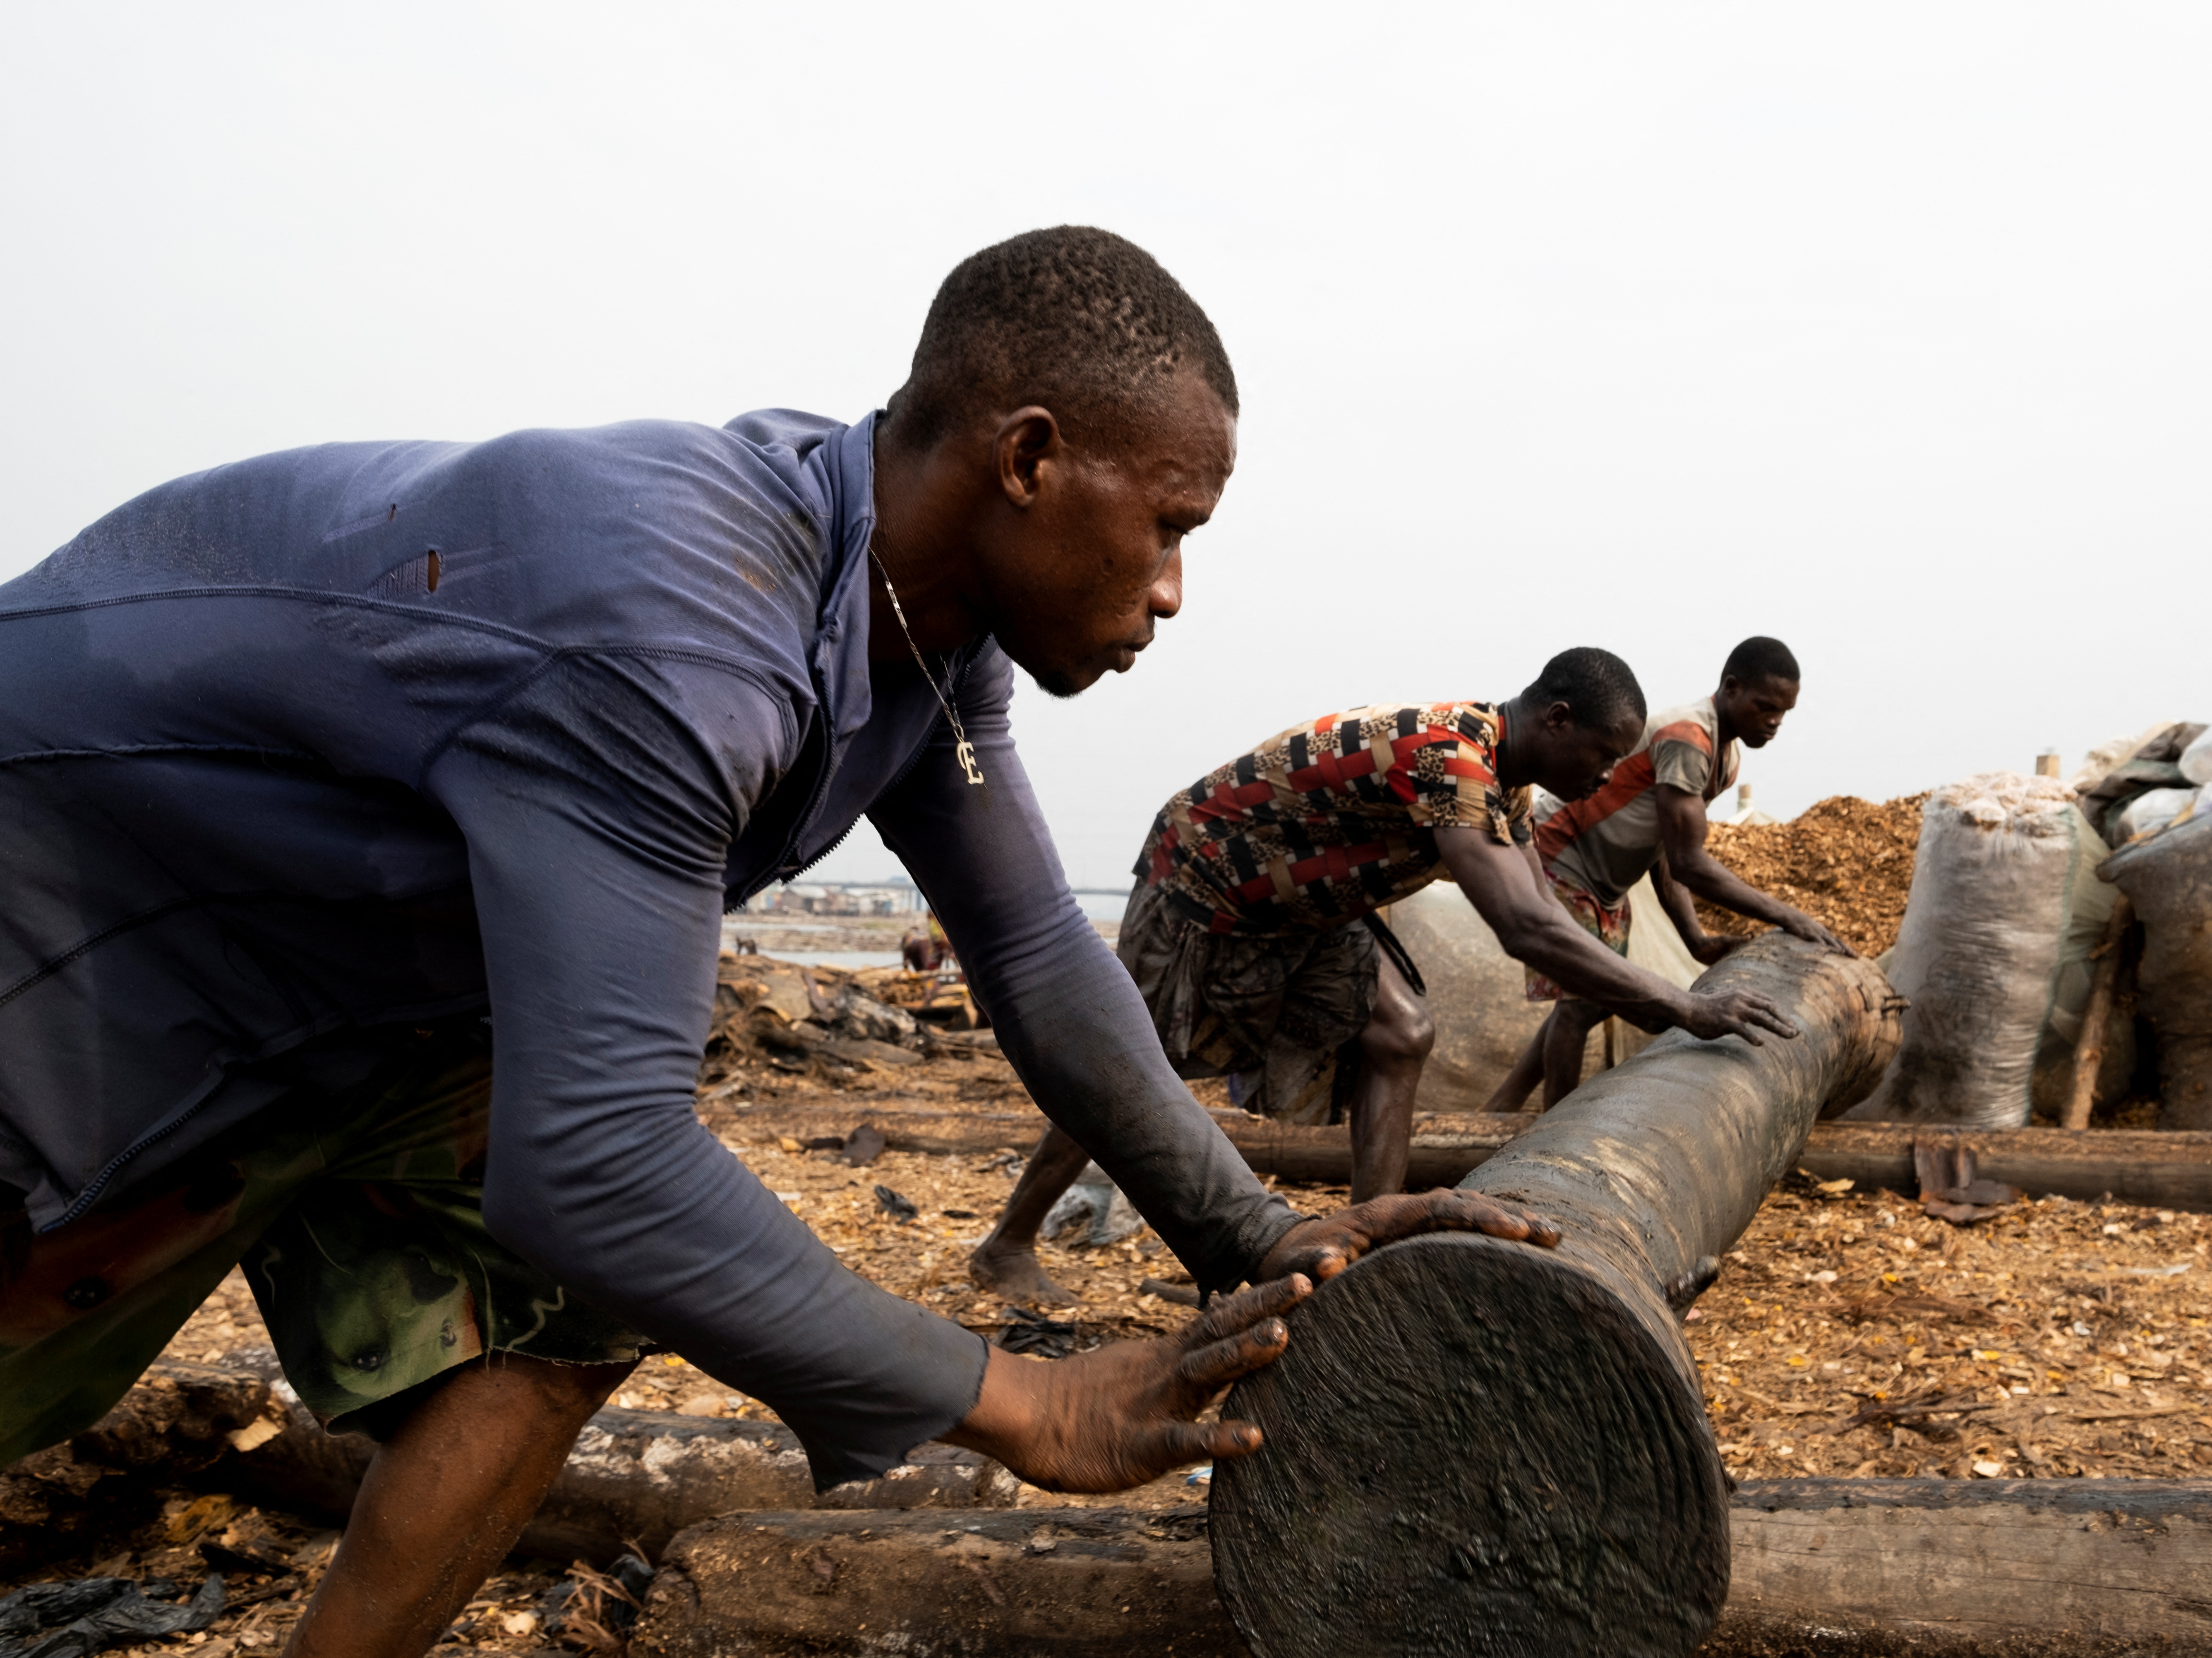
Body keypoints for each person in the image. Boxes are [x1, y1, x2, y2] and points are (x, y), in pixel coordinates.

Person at [0, 227, 1555, 1658]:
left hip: (342, 979)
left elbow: (1031, 945)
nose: (1167, 590)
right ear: (1028, 459)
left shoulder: (913, 632)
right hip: (79, 911)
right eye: (1164, 525)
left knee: (573, 1311)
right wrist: (1019, 1400)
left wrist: (1257, 1236)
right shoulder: (677, 615)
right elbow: (599, 1157)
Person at [966, 652, 1798, 1308]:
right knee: (1124, 1069)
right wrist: (1686, 1004)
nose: (1608, 774)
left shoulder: (1503, 782)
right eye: (1603, 755)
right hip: (1209, 881)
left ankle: (1362, 1248)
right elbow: (1525, 930)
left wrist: (1639, 989)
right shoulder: (1451, 760)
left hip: (1309, 911)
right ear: (1557, 718)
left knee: (1402, 1032)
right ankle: (1007, 1242)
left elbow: (1548, 914)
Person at [1484, 635, 1848, 1113]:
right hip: (1562, 854)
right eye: (1765, 707)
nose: (1775, 722)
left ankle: (1499, 1112)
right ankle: (1551, 1134)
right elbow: (1691, 864)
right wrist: (1789, 916)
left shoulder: (1726, 757)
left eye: (1784, 712)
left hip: (1607, 882)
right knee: (1583, 1001)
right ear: (1732, 688)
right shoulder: (1689, 738)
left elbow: (1668, 851)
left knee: (1582, 1001)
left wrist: (1695, 939)